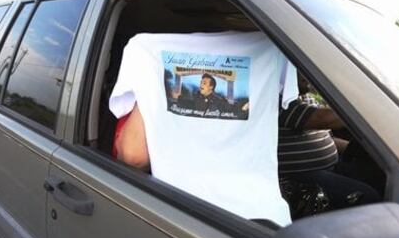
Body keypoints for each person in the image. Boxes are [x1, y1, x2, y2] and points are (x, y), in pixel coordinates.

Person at [111, 30, 298, 225]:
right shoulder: (277, 46)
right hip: (259, 217)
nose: (201, 84)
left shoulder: (145, 50)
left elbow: (133, 156)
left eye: (205, 83)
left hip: (178, 215)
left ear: (213, 87)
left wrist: (151, 86)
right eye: (201, 82)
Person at [278, 76, 380, 217]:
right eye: (299, 72)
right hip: (301, 176)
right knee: (368, 198)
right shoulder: (281, 103)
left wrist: (356, 149)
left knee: (378, 176)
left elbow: (327, 138)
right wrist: (369, 108)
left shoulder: (307, 99)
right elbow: (324, 120)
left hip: (331, 166)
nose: (306, 77)